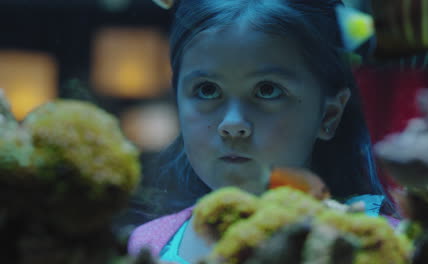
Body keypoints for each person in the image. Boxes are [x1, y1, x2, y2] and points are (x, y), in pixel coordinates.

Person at [127, 0, 398, 263]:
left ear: (329, 114)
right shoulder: (146, 246)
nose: (233, 125)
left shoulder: (387, 248)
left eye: (267, 90)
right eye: (207, 90)